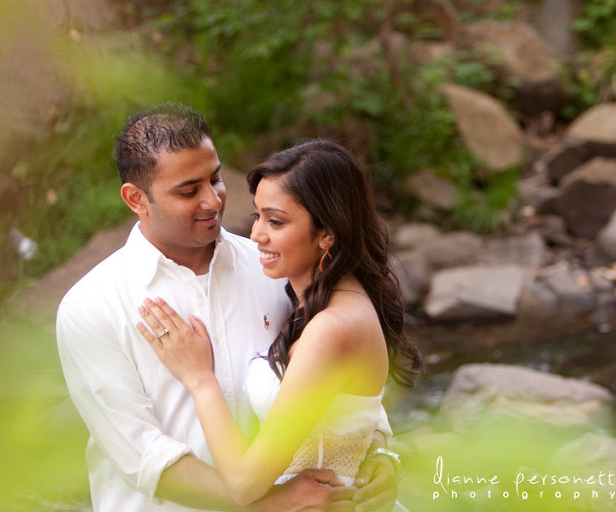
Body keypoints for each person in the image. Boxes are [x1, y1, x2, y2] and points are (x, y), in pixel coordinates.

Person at [56, 103, 401, 512]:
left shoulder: (272, 266)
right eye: (188, 190)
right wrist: (267, 505)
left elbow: (335, 376)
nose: (213, 200)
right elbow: (141, 455)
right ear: (136, 199)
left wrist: (378, 452)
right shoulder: (92, 306)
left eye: (216, 179)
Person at [136, 139, 422, 508]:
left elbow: (242, 483)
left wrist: (199, 379)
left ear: (327, 233)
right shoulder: (318, 301)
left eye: (276, 221)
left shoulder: (332, 327)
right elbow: (347, 411)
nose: (256, 234)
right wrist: (382, 451)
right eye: (258, 216)